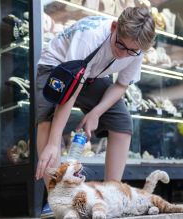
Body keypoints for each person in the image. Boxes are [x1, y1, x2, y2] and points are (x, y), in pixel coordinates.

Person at [35, 7, 155, 218]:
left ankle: (112, 196)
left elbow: (121, 85)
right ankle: (56, 201)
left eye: (131, 51)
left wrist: (96, 112)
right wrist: (54, 142)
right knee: (47, 122)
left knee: (122, 122)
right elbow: (69, 92)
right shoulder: (89, 38)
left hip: (92, 74)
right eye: (120, 44)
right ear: (114, 27)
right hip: (57, 67)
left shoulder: (137, 48)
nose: (123, 53)